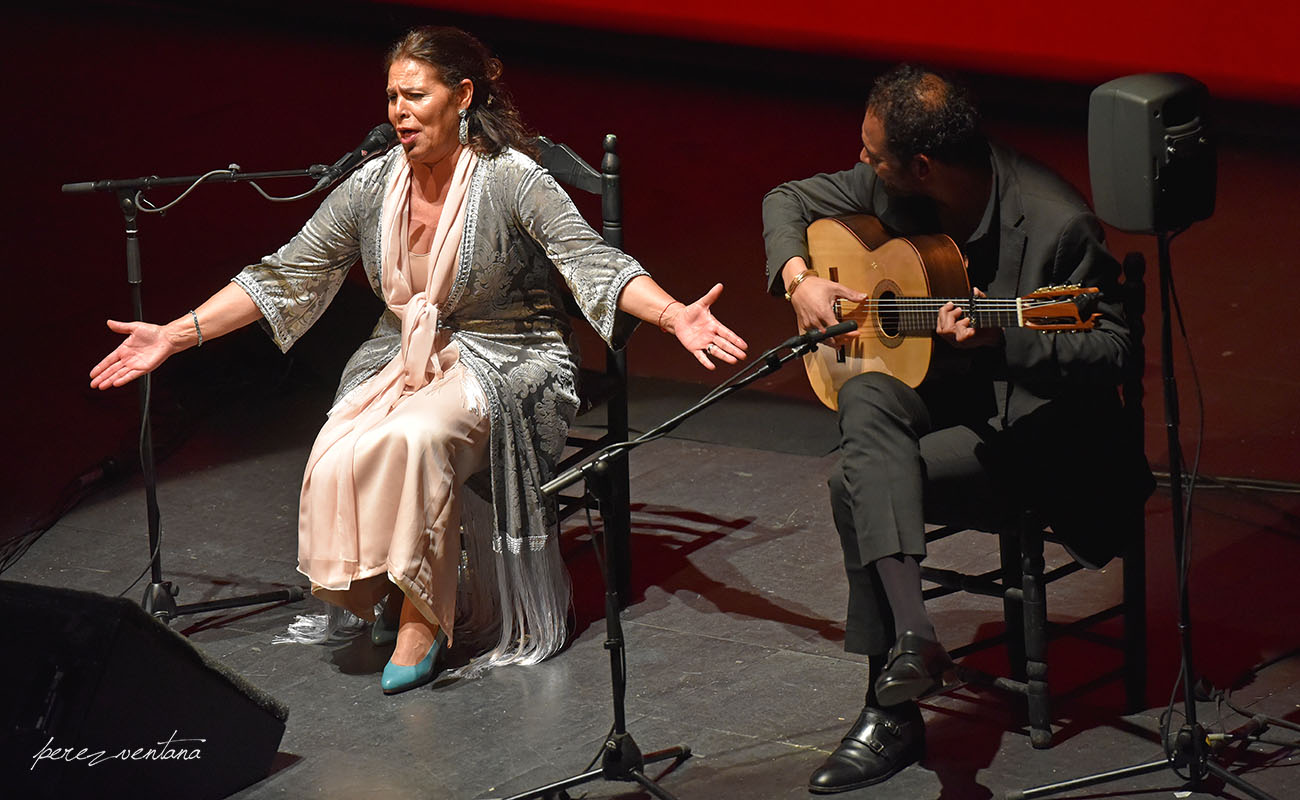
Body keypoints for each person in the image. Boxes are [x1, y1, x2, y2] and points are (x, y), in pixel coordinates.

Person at [91, 26, 747, 695]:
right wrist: (175, 334)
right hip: (403, 351)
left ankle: (422, 616)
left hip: (513, 355)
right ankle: (384, 580)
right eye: (391, 98)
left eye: (414, 95)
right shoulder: (375, 184)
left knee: (415, 436)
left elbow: (594, 263)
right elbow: (287, 273)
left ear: (463, 95)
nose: (397, 111)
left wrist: (673, 314)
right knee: (339, 441)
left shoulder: (511, 178)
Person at [762, 64, 1148, 791]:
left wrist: (1004, 340)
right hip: (939, 403)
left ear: (922, 165)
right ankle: (917, 639)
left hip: (1032, 431)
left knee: (854, 478)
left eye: (874, 156)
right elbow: (786, 199)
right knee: (868, 393)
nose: (863, 166)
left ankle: (891, 709)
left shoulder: (1055, 220)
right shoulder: (889, 186)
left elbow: (1113, 348)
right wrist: (799, 276)